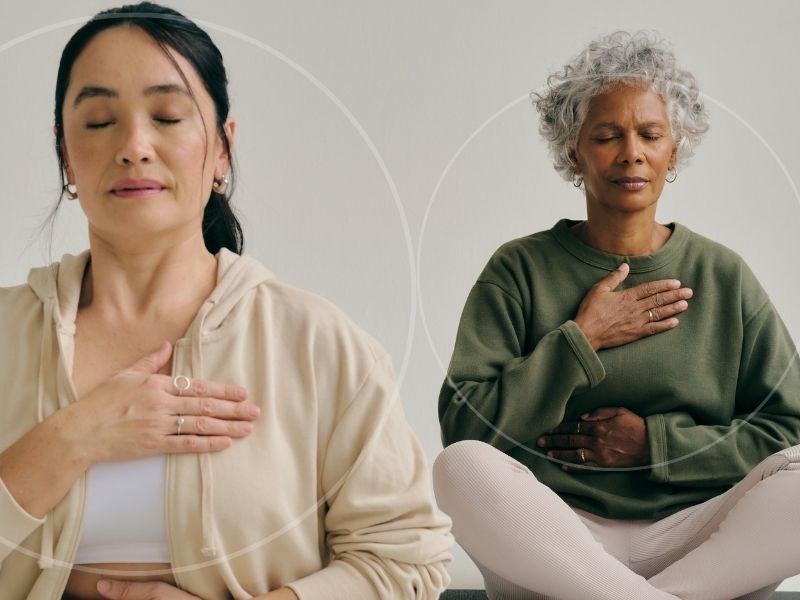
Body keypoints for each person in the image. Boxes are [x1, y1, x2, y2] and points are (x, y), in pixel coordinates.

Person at [0, 3, 453, 599]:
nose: (134, 145)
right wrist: (74, 435)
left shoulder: (323, 347)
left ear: (222, 150)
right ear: (65, 154)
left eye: (166, 116)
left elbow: (407, 563)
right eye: (100, 120)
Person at [432, 30, 800, 600]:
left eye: (650, 135)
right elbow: (465, 428)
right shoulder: (520, 269)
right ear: (573, 150)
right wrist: (581, 340)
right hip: (558, 542)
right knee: (460, 467)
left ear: (673, 150)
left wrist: (655, 446)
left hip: (695, 539)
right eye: (607, 135)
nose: (631, 153)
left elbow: (789, 429)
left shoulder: (723, 276)